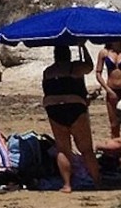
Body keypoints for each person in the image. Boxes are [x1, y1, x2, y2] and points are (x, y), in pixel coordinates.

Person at [41, 43, 101, 192]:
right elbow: (89, 66)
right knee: (86, 149)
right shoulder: (75, 68)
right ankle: (98, 182)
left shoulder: (48, 71)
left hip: (54, 108)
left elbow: (49, 91)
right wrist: (83, 47)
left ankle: (67, 184)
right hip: (74, 106)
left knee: (63, 149)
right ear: (68, 55)